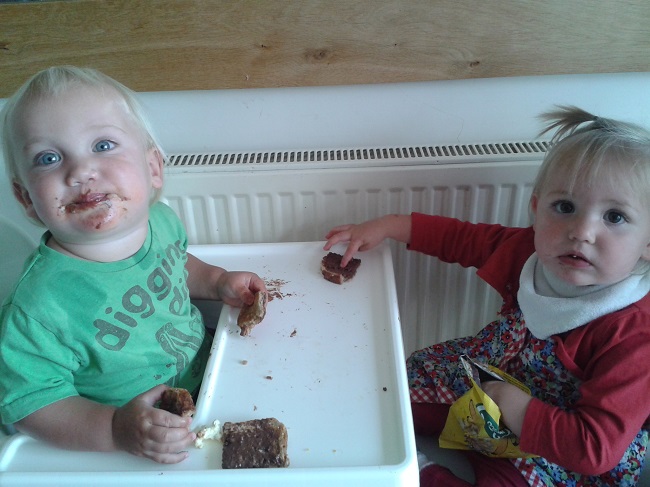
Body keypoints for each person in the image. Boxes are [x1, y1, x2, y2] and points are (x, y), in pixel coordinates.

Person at [324, 106, 650, 486]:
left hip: (552, 441)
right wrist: (387, 226)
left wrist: (520, 411)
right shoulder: (527, 251)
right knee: (386, 396)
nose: (582, 231)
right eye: (565, 207)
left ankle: (421, 472)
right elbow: (462, 238)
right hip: (486, 383)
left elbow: (594, 448)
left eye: (614, 217)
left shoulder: (635, 333)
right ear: (536, 209)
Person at [0, 66, 266, 464]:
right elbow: (31, 404)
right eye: (48, 158)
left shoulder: (160, 222)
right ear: (26, 200)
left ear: (153, 168)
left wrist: (216, 281)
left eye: (103, 145)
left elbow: (176, 265)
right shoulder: (37, 309)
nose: (80, 171)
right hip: (135, 441)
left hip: (215, 375)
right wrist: (114, 428)